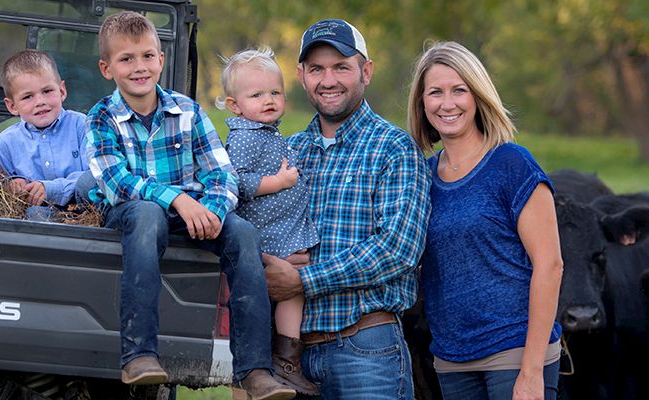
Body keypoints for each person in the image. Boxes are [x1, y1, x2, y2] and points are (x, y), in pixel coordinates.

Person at [85, 11, 295, 399]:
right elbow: (116, 183)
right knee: (148, 215)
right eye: (126, 59)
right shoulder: (101, 118)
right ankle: (139, 354)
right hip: (132, 211)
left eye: (147, 56)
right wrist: (180, 199)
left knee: (243, 232)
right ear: (106, 68)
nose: (139, 67)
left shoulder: (189, 111)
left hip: (192, 213)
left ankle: (252, 370)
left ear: (161, 59)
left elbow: (223, 174)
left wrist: (214, 210)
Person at [263, 18, 431, 399]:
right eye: (317, 69)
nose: (328, 80)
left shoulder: (395, 149)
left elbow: (397, 249)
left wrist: (303, 280)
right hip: (289, 356)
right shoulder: (286, 152)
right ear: (301, 76)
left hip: (366, 350)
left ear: (365, 71)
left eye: (341, 67)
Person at [406, 41, 564, 400]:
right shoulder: (422, 177)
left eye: (459, 90)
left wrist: (531, 368)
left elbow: (550, 265)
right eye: (435, 92)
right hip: (451, 360)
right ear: (422, 102)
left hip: (514, 352)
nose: (447, 103)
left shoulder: (512, 164)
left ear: (477, 96)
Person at [218, 47, 320, 396]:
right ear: (235, 105)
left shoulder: (269, 133)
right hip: (267, 236)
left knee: (291, 293)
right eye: (257, 95)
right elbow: (234, 182)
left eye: (275, 92)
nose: (269, 100)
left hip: (282, 231)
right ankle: (282, 361)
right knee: (285, 294)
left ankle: (284, 359)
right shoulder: (246, 136)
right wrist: (277, 183)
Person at [0, 49, 90, 221]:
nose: (40, 102)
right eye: (28, 97)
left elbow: (95, 177)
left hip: (87, 212)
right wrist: (14, 185)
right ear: (12, 106)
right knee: (35, 214)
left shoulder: (82, 126)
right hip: (37, 219)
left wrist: (51, 189)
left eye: (47, 91)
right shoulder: (5, 144)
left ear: (62, 91)